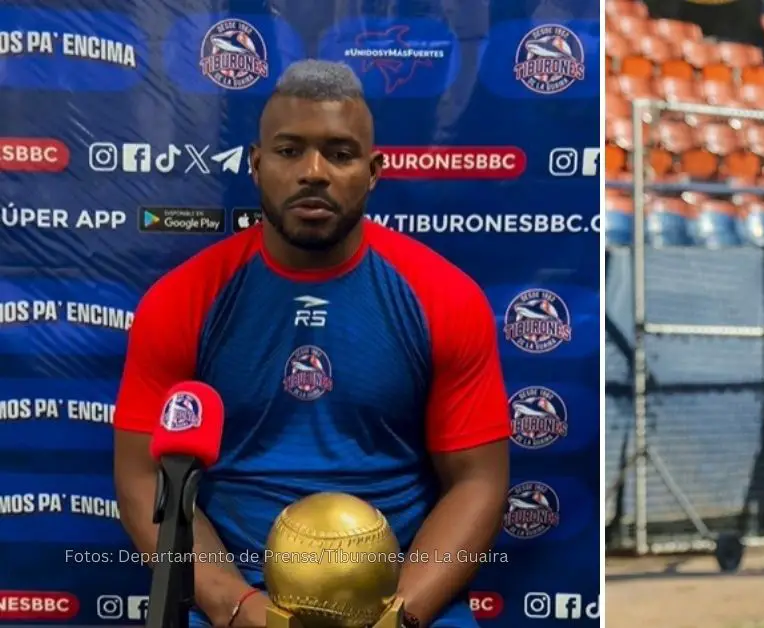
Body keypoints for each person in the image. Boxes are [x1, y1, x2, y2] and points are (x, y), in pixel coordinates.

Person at [112, 60, 510, 628]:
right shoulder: (183, 300)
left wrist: (401, 612)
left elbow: (478, 480)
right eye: (289, 150)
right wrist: (233, 604)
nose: (313, 172)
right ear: (255, 165)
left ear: (373, 172)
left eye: (340, 154)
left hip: (399, 596)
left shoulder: (443, 297)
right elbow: (143, 477)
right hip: (238, 596)